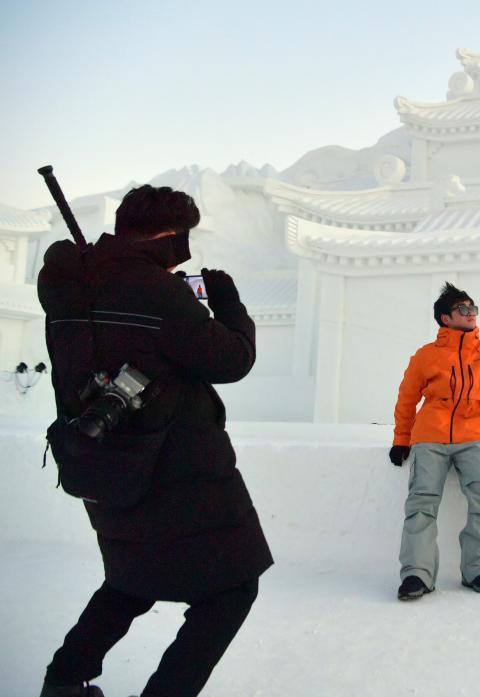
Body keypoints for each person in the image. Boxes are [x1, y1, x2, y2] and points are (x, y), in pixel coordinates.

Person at [36, 185, 273, 697]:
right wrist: (229, 306)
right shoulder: (157, 292)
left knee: (131, 577)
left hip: (100, 462)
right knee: (231, 588)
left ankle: (61, 682)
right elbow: (231, 360)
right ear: (169, 236)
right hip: (175, 471)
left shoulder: (68, 282)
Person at [391, 282, 480, 600]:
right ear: (445, 318)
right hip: (430, 438)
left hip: (475, 437)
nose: (471, 314)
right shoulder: (425, 356)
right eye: (463, 309)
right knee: (421, 503)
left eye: (473, 308)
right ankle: (416, 575)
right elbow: (407, 399)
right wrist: (401, 439)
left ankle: (478, 569)